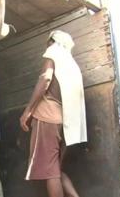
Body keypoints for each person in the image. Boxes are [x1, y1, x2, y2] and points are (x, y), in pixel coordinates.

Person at [19, 30, 87, 197]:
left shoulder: (54, 52)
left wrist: (28, 111)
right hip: (64, 122)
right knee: (55, 168)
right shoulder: (72, 65)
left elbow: (45, 78)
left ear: (52, 41)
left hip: (47, 116)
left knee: (51, 172)